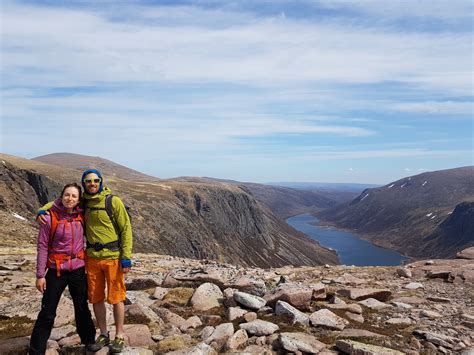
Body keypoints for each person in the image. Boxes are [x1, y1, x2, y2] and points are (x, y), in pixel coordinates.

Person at [37, 169, 133, 353]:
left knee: (116, 297)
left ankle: (119, 335)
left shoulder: (113, 201)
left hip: (113, 257)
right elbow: (61, 201)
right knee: (96, 298)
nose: (92, 183)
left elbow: (126, 229)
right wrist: (43, 209)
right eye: (88, 181)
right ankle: (104, 334)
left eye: (96, 180)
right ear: (84, 184)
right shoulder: (84, 201)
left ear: (101, 182)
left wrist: (126, 257)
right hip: (91, 259)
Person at [30, 183, 96, 355]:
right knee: (47, 312)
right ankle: (36, 351)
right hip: (56, 270)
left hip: (78, 269)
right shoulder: (49, 218)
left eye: (74, 196)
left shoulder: (82, 215)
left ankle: (89, 341)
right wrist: (40, 275)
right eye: (67, 195)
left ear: (78, 199)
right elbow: (42, 246)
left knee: (81, 308)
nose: (70, 199)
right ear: (61, 196)